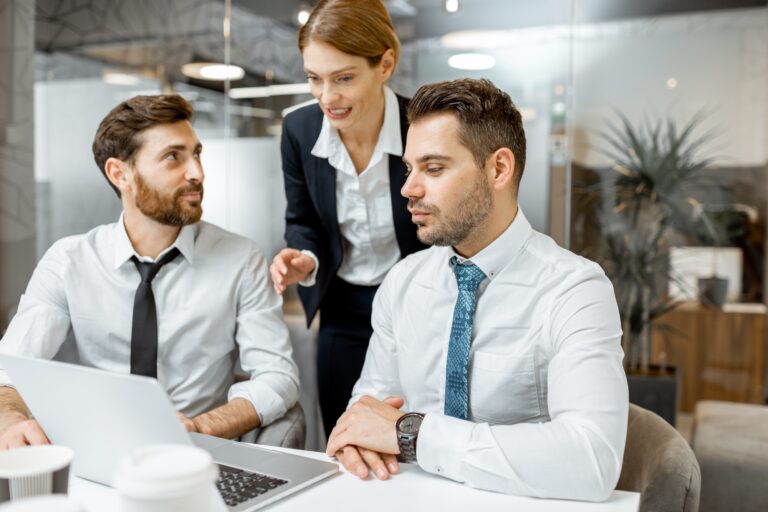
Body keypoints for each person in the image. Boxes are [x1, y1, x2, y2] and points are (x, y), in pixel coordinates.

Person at [325, 79, 629, 501]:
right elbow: (368, 408)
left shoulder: (574, 290)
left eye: (433, 169)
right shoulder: (403, 283)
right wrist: (359, 439)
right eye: (409, 169)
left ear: (498, 168)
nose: (408, 189)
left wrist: (415, 435)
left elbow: (592, 459)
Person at [0, 94, 299, 449]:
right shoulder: (68, 261)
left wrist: (200, 427)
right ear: (119, 174)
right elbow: (10, 365)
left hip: (200, 455)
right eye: (173, 157)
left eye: (196, 154)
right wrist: (9, 418)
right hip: (101, 452)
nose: (197, 173)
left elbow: (277, 376)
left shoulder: (241, 259)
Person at [269, 0, 425, 437]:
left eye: (343, 78)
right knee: (343, 431)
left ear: (385, 65)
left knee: (412, 431)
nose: (327, 97)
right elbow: (302, 219)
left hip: (417, 302)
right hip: (342, 305)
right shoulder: (299, 131)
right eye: (314, 78)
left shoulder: (422, 126)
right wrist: (305, 256)